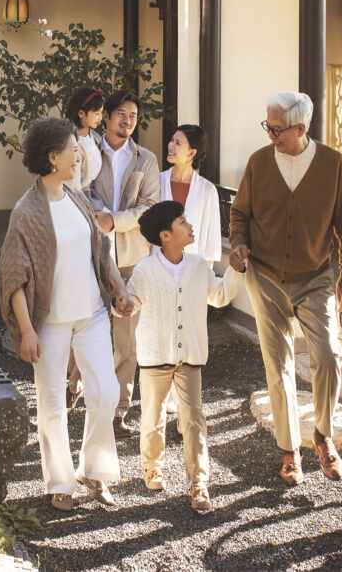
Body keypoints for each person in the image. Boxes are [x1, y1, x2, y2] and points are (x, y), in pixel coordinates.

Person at [0, 117, 134, 512]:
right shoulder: (26, 213)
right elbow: (14, 278)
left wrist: (119, 289)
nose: (80, 154)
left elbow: (100, 249)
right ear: (53, 157)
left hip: (91, 314)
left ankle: (93, 469)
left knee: (106, 393)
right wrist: (26, 330)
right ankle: (60, 480)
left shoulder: (77, 198)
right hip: (50, 323)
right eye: (74, 148)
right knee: (53, 404)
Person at [229, 91, 342, 486]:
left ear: (301, 128)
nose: (271, 135)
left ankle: (322, 434)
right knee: (278, 365)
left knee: (328, 354)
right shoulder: (258, 163)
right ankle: (289, 452)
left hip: (316, 275)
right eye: (267, 127)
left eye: (277, 129)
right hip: (265, 275)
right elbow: (240, 212)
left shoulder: (332, 164)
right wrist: (238, 243)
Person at [125, 201, 246, 512]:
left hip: (190, 357)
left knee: (193, 418)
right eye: (182, 221)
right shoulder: (145, 270)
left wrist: (235, 269)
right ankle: (152, 466)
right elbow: (131, 302)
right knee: (152, 417)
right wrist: (121, 305)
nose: (190, 225)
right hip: (154, 357)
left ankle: (199, 482)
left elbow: (218, 296)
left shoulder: (197, 266)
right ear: (166, 235)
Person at [88, 89, 161, 436]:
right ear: (106, 116)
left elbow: (149, 207)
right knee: (87, 331)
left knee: (127, 341)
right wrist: (97, 218)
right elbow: (78, 191)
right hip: (92, 256)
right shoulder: (86, 151)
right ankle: (81, 394)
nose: (127, 120)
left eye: (133, 115)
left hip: (132, 259)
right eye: (121, 113)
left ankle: (118, 412)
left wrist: (114, 220)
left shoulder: (146, 159)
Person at [159, 124, 221, 265]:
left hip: (191, 272)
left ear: (192, 153)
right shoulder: (156, 182)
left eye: (178, 143)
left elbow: (210, 246)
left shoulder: (207, 190)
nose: (170, 145)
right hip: (157, 270)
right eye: (172, 140)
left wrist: (204, 281)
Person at [64, 86, 105, 191]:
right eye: (97, 113)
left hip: (94, 192)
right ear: (81, 113)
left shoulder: (95, 137)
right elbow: (72, 185)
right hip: (79, 197)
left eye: (101, 113)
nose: (100, 118)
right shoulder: (73, 144)